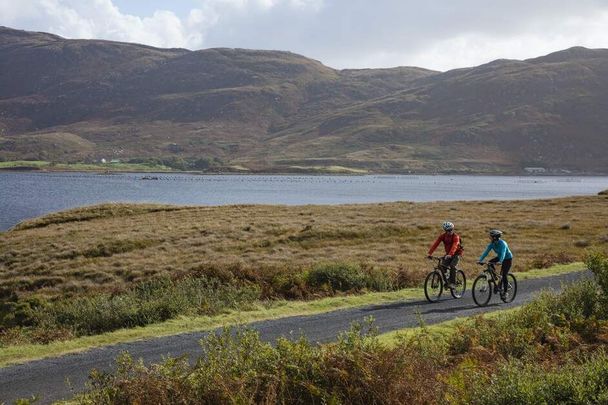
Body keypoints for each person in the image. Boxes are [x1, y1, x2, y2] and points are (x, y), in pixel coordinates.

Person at [477, 229, 513, 298]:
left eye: (490, 236)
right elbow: (486, 252)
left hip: (507, 259)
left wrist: (500, 261)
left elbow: (503, 253)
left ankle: (505, 292)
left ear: (494, 237)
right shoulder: (492, 244)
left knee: (504, 275)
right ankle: (495, 277)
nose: (489, 238)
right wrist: (480, 260)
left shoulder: (503, 244)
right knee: (489, 263)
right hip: (500, 258)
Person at [427, 221, 463, 288]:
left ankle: (453, 283)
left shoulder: (456, 237)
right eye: (448, 230)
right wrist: (429, 253)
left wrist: (450, 254)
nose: (450, 231)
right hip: (448, 254)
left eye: (451, 230)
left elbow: (455, 246)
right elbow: (436, 244)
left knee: (452, 266)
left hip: (457, 254)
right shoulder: (443, 236)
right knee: (442, 267)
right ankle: (447, 281)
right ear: (445, 230)